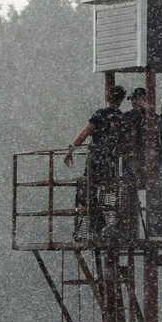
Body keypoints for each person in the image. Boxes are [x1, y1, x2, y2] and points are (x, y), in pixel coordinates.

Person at [64, 86, 132, 238]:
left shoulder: (100, 114)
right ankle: (112, 224)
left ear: (107, 97)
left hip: (96, 157)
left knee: (87, 190)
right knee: (111, 190)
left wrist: (71, 149)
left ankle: (97, 223)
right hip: (111, 159)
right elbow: (125, 141)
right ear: (121, 100)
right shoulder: (121, 118)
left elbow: (84, 134)